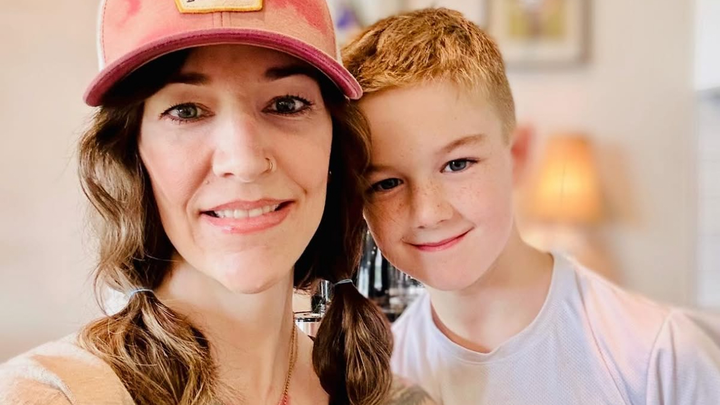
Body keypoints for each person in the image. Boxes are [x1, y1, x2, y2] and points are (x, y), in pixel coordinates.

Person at [0, 1, 436, 404]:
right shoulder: (53, 395)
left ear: (334, 145)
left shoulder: (393, 399)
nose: (244, 162)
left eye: (286, 104)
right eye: (186, 111)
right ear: (132, 154)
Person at [342, 7, 720, 405]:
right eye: (386, 184)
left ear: (518, 154)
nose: (427, 213)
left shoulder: (661, 357)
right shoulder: (382, 382)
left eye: (458, 164)